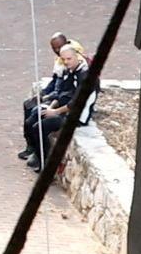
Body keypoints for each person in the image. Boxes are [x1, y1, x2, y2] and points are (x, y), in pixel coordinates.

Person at [20, 32, 95, 168]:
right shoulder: (70, 70)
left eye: (69, 59)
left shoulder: (85, 76)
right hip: (64, 110)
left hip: (76, 117)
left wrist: (55, 112)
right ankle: (36, 152)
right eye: (64, 59)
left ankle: (46, 162)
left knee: (40, 127)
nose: (66, 62)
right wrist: (51, 107)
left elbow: (75, 103)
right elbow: (61, 94)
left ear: (77, 56)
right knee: (33, 118)